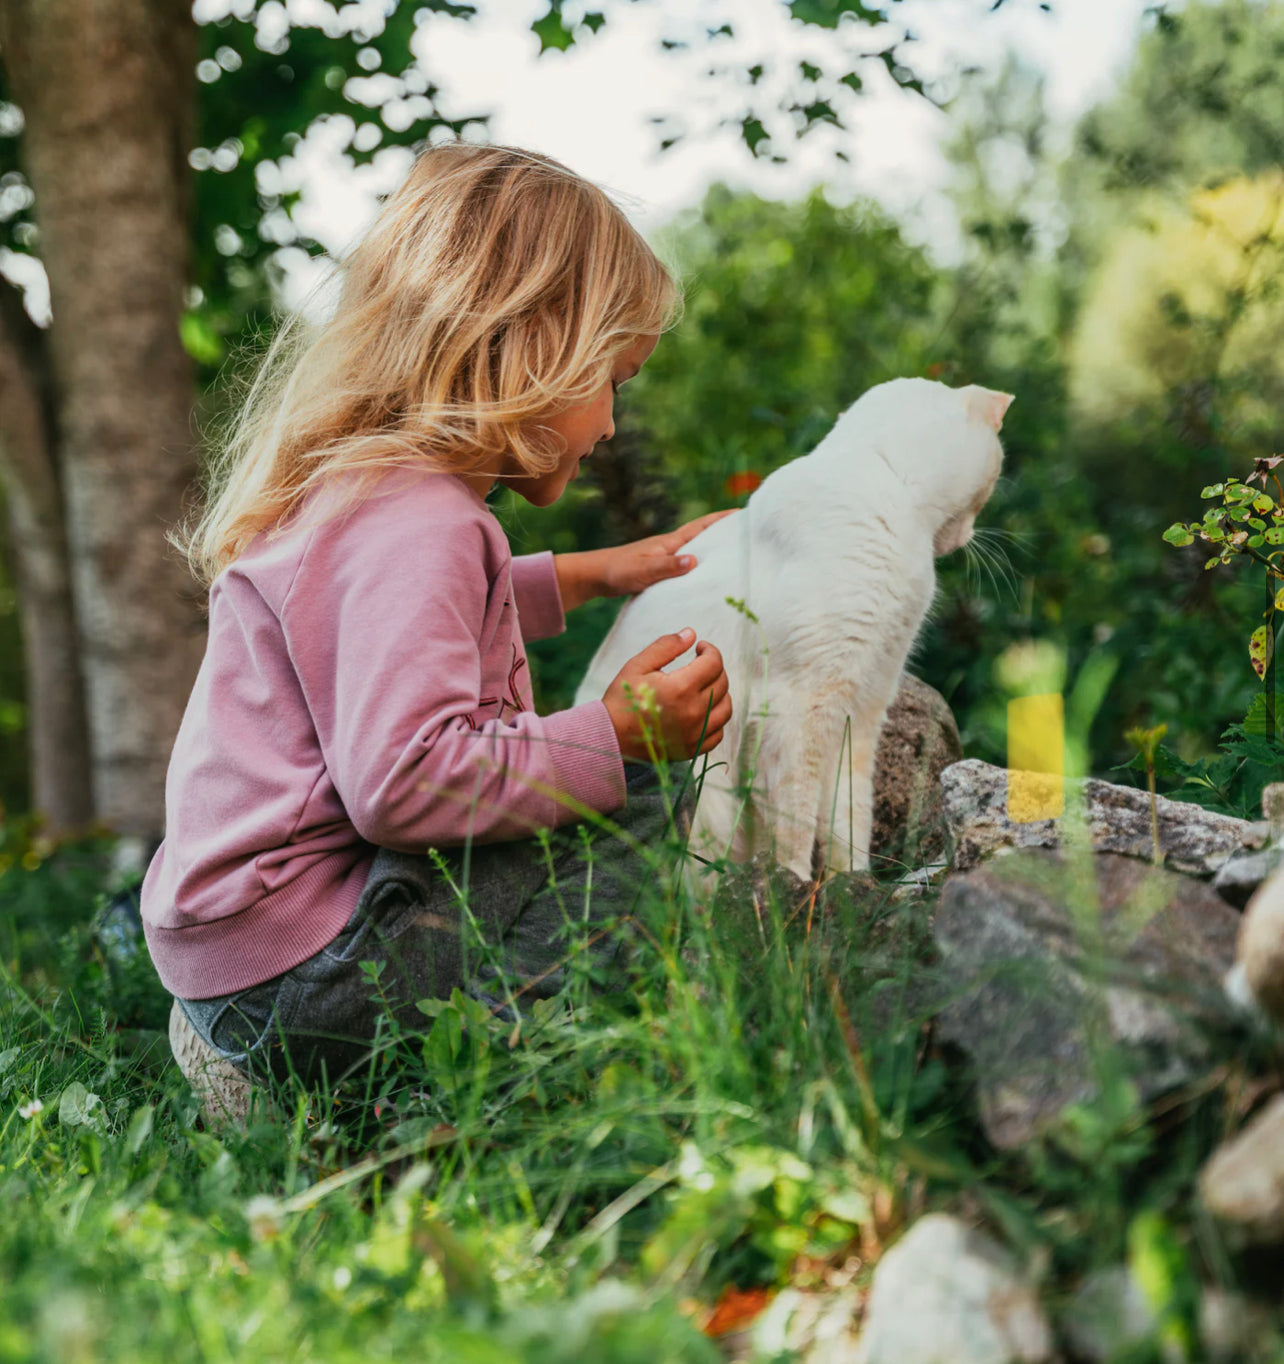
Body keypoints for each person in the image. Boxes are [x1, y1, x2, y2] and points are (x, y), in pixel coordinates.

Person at [141, 143, 733, 1100]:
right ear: (530, 345)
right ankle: (494, 1078)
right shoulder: (422, 525)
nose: (614, 424)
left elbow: (423, 629)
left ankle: (300, 1059)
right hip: (309, 981)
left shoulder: (373, 497)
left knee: (577, 792)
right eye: (611, 382)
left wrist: (598, 572)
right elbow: (405, 785)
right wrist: (615, 734)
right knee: (642, 797)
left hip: (247, 956)